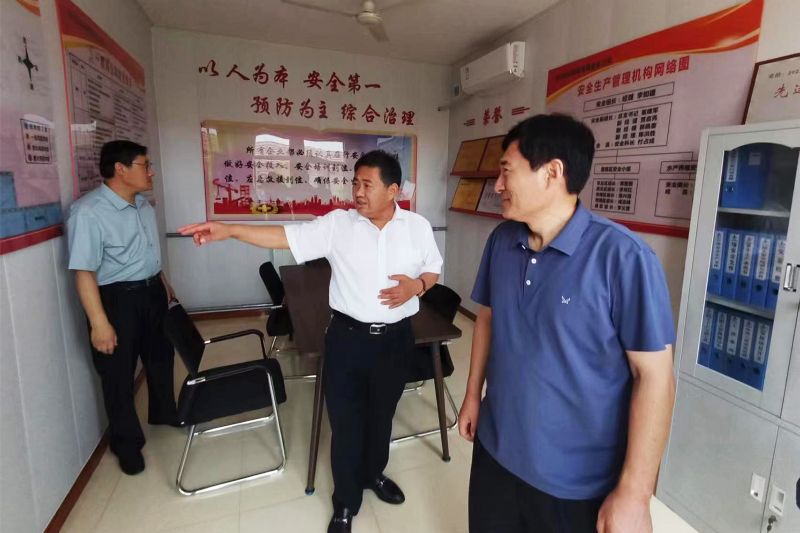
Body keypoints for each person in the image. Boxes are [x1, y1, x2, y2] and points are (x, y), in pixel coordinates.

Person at [179, 150, 442, 533]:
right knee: (346, 424)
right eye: (355, 183)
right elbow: (283, 236)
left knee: (382, 416)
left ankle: (374, 474)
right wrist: (231, 230)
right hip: (348, 341)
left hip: (396, 340)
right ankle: (346, 501)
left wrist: (417, 286)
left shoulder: (417, 227)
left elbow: (433, 269)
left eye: (367, 185)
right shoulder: (338, 225)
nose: (358, 192)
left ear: (393, 190)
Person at [458, 114, 676, 533]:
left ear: (552, 172)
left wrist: (634, 493)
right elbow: (487, 318)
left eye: (506, 171)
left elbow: (655, 378)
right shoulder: (502, 241)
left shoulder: (623, 258)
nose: (498, 185)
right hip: (495, 452)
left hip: (574, 484)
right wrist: (472, 396)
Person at [66, 140, 179, 476]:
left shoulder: (143, 205)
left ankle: (164, 412)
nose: (151, 172)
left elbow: (147, 251)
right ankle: (126, 444)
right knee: (117, 374)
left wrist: (163, 283)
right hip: (117, 299)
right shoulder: (88, 212)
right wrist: (99, 322)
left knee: (161, 356)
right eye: (145, 165)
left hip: (151, 291)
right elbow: (84, 272)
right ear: (120, 168)